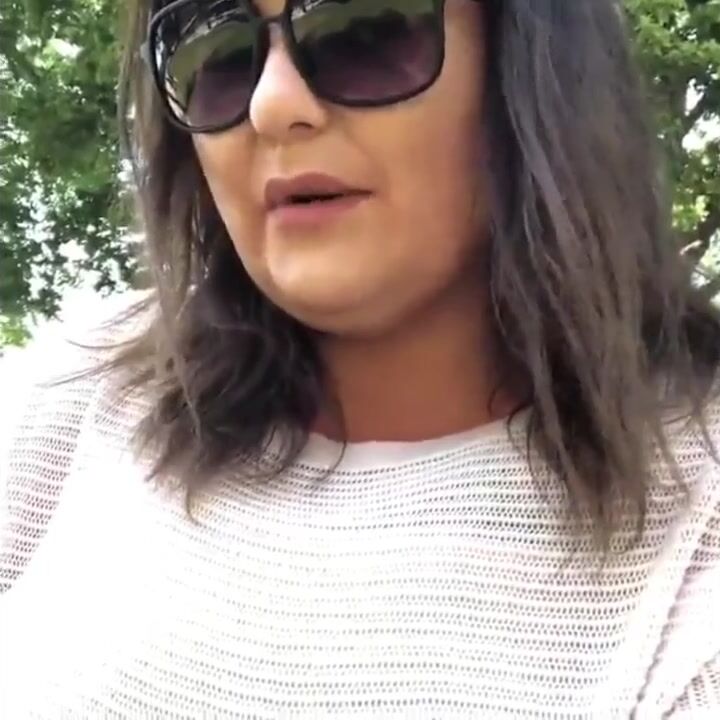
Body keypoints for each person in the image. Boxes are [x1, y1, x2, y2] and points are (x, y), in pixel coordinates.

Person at [1, 0, 720, 716]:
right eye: (218, 54)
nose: (272, 105)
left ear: (537, 70)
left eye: (363, 31)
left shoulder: (693, 560)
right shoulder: (79, 392)